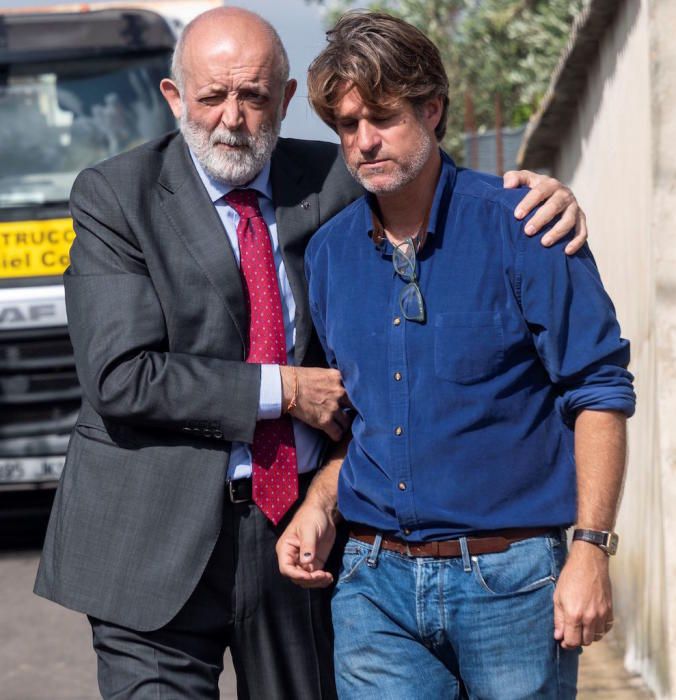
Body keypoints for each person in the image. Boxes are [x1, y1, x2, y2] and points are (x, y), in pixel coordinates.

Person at [34, 7, 587, 699]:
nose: (232, 117)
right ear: (176, 98)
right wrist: (287, 391)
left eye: (254, 96)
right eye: (211, 97)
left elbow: (438, 192)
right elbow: (121, 377)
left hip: (298, 537)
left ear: (287, 99)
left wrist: (541, 196)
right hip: (147, 536)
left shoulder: (337, 178)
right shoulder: (116, 195)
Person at [277, 10, 635, 700]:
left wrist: (591, 548)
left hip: (510, 582)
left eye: (382, 116)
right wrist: (320, 503)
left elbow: (597, 391)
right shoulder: (327, 255)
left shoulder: (525, 226)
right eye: (348, 125)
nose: (364, 141)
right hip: (372, 585)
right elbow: (364, 422)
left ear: (432, 110)